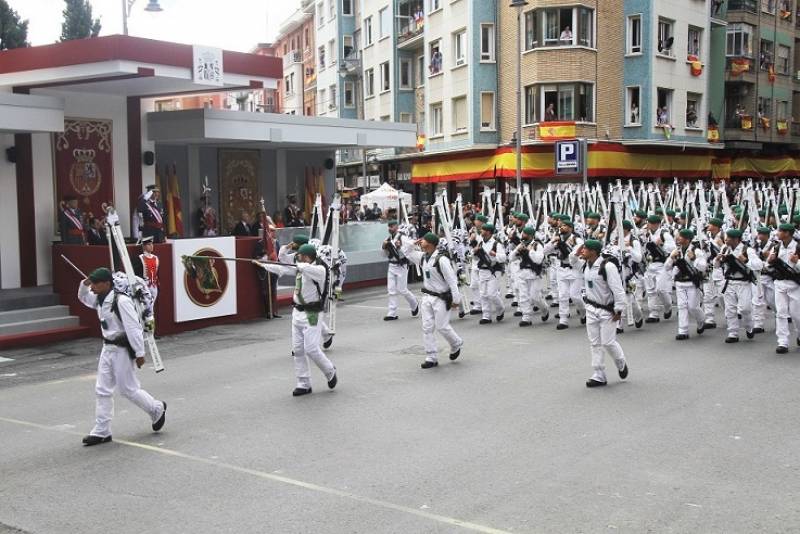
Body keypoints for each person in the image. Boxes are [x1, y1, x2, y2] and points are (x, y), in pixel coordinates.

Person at [77, 268, 166, 446]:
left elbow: (133, 328)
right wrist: (85, 283)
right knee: (102, 389)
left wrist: (140, 353)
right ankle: (102, 431)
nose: (92, 287)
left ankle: (156, 408)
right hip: (107, 348)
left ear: (106, 284)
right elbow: (83, 296)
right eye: (92, 283)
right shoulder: (99, 299)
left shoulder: (121, 301)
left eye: (95, 283)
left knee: (128, 389)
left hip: (122, 349)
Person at [253, 244, 338, 396]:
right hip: (297, 312)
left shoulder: (319, 270)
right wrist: (264, 264)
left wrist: (296, 264)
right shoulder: (300, 267)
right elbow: (283, 267)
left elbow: (303, 267)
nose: (297, 258)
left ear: (307, 257)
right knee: (298, 350)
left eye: (300, 256)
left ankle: (329, 370)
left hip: (312, 313)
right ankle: (303, 383)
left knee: (311, 348)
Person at [401, 232, 463, 369]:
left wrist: (456, 299)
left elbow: (452, 280)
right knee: (427, 327)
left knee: (442, 327)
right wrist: (412, 243)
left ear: (430, 243)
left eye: (423, 240)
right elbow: (406, 252)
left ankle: (456, 343)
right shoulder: (423, 257)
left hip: (441, 298)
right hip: (427, 297)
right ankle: (431, 357)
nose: (421, 242)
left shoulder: (441, 260)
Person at [571, 240, 628, 388]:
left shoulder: (607, 267)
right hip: (591, 308)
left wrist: (619, 310)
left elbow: (618, 290)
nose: (582, 251)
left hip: (607, 310)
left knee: (608, 342)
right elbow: (572, 261)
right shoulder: (585, 264)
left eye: (585, 249)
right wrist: (577, 250)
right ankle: (599, 374)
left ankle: (620, 361)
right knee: (595, 343)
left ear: (594, 252)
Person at [715, 228, 762, 343]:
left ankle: (749, 327)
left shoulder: (747, 250)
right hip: (729, 282)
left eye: (728, 238)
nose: (726, 240)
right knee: (730, 309)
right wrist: (717, 260)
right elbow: (716, 265)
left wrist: (745, 261)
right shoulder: (725, 249)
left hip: (743, 283)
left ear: (736, 239)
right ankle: (733, 333)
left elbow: (759, 265)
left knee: (745, 308)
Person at [543, 218, 585, 330]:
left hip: (574, 269)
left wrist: (564, 246)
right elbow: (545, 251)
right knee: (562, 295)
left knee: (575, 296)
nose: (561, 227)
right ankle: (563, 319)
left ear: (570, 228)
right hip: (562, 269)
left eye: (564, 226)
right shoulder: (557, 239)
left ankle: (584, 312)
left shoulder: (576, 240)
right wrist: (552, 241)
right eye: (561, 226)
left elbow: (576, 255)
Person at [665, 229, 706, 340]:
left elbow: (703, 267)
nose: (678, 238)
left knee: (693, 307)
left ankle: (701, 320)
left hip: (692, 282)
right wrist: (671, 258)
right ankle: (683, 331)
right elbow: (667, 267)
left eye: (681, 236)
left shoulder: (696, 251)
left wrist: (694, 258)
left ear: (687, 239)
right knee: (682, 306)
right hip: (680, 282)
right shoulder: (676, 250)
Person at [766, 223, 800, 353]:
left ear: (787, 233)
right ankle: (782, 342)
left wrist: (797, 262)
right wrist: (770, 260)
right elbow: (767, 266)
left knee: (796, 315)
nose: (777, 233)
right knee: (781, 313)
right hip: (779, 283)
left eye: (780, 231)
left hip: (794, 284)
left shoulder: (798, 247)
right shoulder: (777, 247)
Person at [509, 226, 549, 326]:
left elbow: (538, 260)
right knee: (523, 296)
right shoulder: (521, 244)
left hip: (534, 274)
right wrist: (517, 251)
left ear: (530, 235)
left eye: (525, 233)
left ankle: (544, 309)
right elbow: (511, 258)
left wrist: (530, 251)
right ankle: (526, 317)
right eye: (523, 233)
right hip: (522, 273)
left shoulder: (537, 245)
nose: (522, 235)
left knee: (535, 297)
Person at [382, 220, 419, 321]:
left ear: (396, 227)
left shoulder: (402, 237)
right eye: (389, 226)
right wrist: (384, 247)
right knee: (391, 290)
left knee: (402, 289)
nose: (390, 228)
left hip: (401, 266)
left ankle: (414, 303)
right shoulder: (388, 239)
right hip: (391, 265)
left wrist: (400, 247)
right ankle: (392, 313)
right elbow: (384, 254)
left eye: (392, 226)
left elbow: (410, 245)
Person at [642, 214, 675, 323]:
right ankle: (653, 314)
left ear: (657, 224)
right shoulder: (646, 234)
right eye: (648, 223)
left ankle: (668, 307)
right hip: (649, 264)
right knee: (650, 291)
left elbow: (673, 248)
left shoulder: (664, 234)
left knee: (661, 289)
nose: (648, 225)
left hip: (662, 265)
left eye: (650, 223)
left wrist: (662, 244)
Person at [473, 223, 506, 324]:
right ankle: (486, 316)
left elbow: (503, 258)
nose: (481, 231)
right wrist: (475, 252)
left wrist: (495, 254)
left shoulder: (496, 244)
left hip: (493, 270)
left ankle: (500, 309)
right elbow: (475, 258)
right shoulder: (480, 243)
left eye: (483, 230)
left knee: (492, 294)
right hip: (482, 270)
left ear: (488, 232)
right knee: (483, 294)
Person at [139, 237, 160, 308]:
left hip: (153, 285)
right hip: (145, 285)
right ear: (144, 246)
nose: (151, 246)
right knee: (146, 306)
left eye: (152, 244)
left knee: (152, 305)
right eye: (149, 244)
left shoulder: (155, 258)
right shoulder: (140, 257)